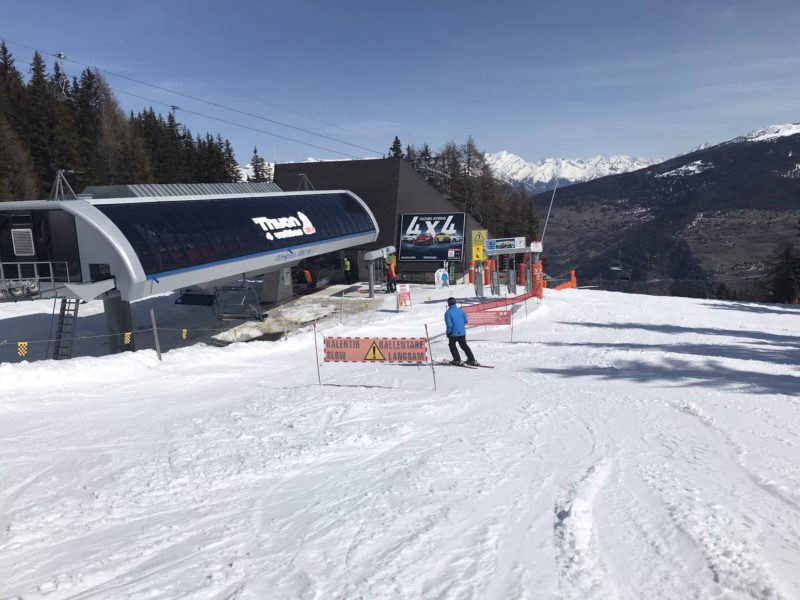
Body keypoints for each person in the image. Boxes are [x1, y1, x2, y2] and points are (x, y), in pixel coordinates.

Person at [444, 297, 478, 366]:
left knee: (452, 345)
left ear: (448, 304)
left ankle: (457, 360)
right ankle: (472, 360)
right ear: (455, 302)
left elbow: (449, 324)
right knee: (464, 346)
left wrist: (448, 332)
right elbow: (466, 321)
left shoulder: (448, 313)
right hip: (462, 332)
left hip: (453, 333)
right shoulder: (461, 311)